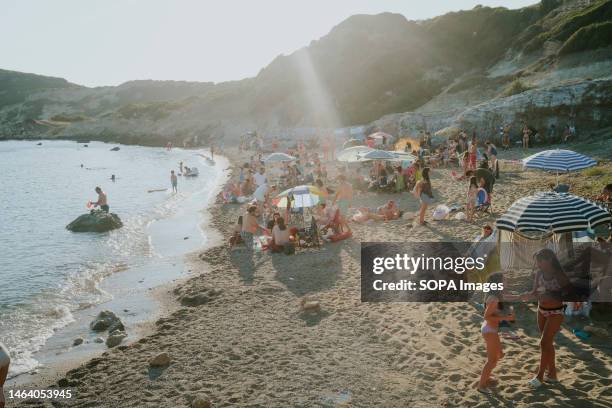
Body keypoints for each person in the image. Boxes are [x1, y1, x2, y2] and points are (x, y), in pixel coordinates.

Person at [518, 249, 572, 388]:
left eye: (539, 261)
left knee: (543, 343)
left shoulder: (559, 275)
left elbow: (568, 294)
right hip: (541, 310)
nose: (538, 265)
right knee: (547, 344)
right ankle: (552, 375)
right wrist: (527, 295)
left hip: (556, 312)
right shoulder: (539, 274)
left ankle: (540, 376)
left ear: (549, 260)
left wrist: (550, 294)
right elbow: (535, 292)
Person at [477, 273, 515, 394]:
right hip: (489, 330)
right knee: (492, 360)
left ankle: (486, 378)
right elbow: (487, 316)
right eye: (504, 281)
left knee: (499, 355)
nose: (507, 282)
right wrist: (506, 318)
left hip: (490, 330)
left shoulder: (495, 296)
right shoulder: (494, 298)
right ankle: (481, 386)